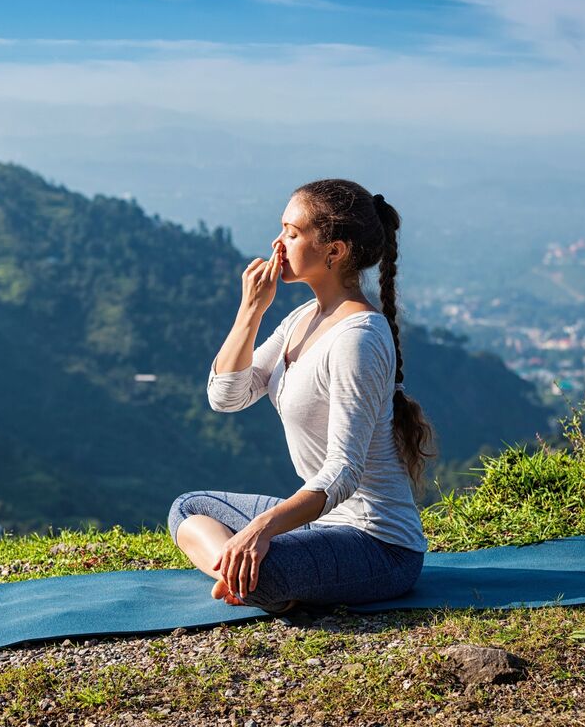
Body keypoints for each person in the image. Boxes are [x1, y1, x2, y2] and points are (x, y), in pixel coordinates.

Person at [167, 179, 437, 614]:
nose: (277, 243)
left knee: (264, 565)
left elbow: (343, 472)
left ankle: (254, 579)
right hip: (323, 524)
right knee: (189, 508)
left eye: (292, 233)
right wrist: (250, 311)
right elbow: (227, 396)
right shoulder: (302, 318)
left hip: (379, 547)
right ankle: (243, 577)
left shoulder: (358, 339)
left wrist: (262, 529)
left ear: (335, 251)